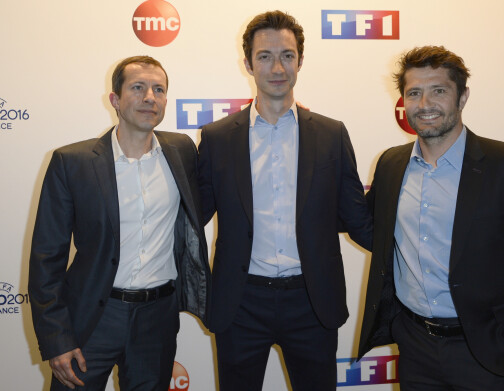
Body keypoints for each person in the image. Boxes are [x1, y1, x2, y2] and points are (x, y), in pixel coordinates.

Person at [357, 45, 504, 390]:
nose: (425, 105)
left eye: (438, 91)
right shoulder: (391, 165)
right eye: (414, 93)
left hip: (488, 350)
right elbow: (372, 229)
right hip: (415, 348)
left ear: (463, 96)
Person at [198, 10, 372, 391]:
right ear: (248, 63)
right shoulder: (217, 137)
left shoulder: (331, 134)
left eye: (287, 56)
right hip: (240, 302)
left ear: (300, 61)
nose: (277, 67)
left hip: (312, 302)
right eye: (264, 56)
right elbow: (192, 216)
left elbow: (358, 219)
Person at [28, 56, 211, 390]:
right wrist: (57, 338)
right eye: (138, 88)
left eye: (159, 89)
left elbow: (215, 190)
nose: (150, 97)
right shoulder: (72, 163)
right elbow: (46, 258)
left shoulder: (182, 151)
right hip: (92, 317)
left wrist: (282, 113)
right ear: (115, 99)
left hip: (157, 319)